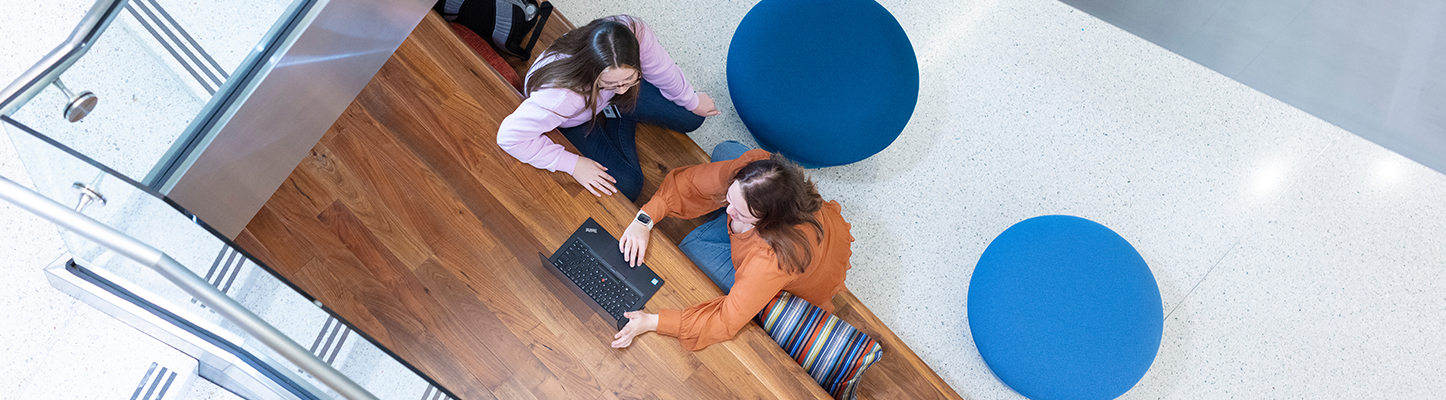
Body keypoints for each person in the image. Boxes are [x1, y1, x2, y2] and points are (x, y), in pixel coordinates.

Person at [610, 141, 855, 350]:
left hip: (785, 270)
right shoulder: (757, 166)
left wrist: (652, 322)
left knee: (690, 249)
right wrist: (644, 219)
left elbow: (726, 320)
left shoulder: (774, 258)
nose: (727, 210)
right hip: (768, 230)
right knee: (726, 150)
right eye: (729, 198)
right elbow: (689, 182)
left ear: (768, 220)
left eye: (739, 212)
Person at [496, 15, 721, 202]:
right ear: (592, 72)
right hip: (574, 117)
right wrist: (572, 164)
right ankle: (618, 115)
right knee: (629, 185)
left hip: (599, 99)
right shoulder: (563, 98)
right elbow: (509, 137)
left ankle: (615, 110)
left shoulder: (634, 32)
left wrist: (690, 99)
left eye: (629, 79)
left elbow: (661, 69)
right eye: (612, 84)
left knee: (692, 117)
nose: (622, 91)